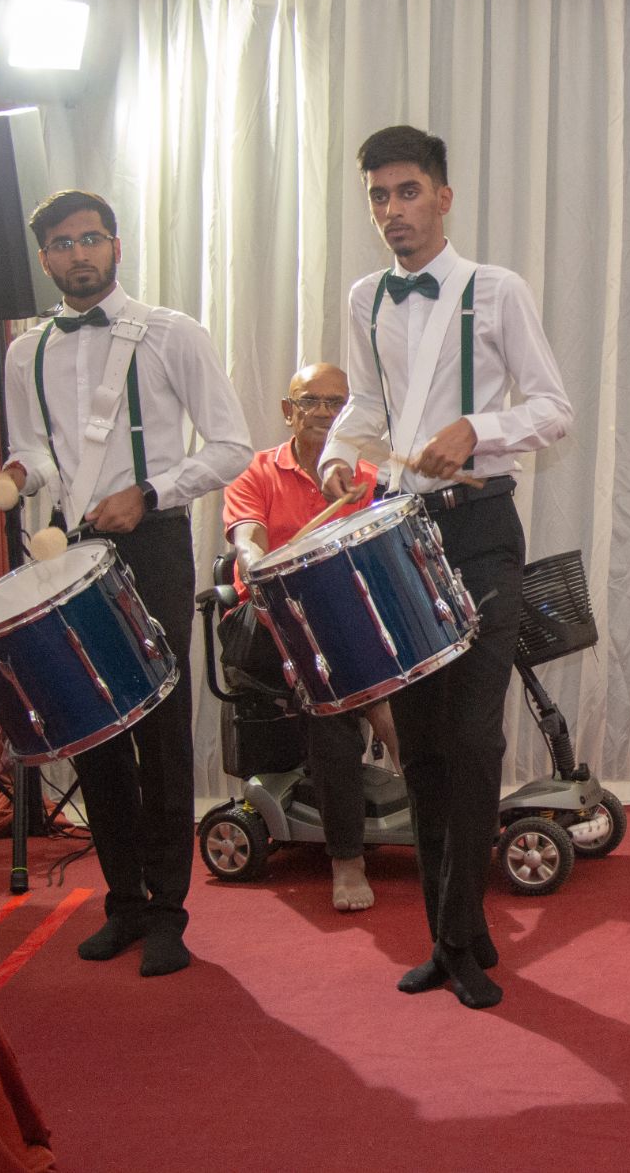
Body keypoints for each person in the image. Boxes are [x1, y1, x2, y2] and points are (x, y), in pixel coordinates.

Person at [320, 125, 572, 1009]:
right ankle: (449, 931)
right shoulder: (365, 298)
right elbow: (364, 401)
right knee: (422, 748)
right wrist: (337, 454)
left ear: (444, 197)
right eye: (379, 197)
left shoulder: (496, 290)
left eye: (408, 192)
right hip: (397, 533)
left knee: (472, 739)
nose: (393, 210)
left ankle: (464, 935)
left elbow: (553, 406)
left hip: (478, 531)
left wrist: (481, 428)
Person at [1, 190, 251, 978]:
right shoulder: (24, 352)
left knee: (159, 727)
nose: (79, 255)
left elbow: (232, 445)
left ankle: (171, 908)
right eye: (62, 245)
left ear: (117, 245)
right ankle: (123, 901)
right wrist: (20, 470)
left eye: (91, 239)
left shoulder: (173, 333)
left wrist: (150, 492)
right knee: (92, 727)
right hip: (68, 549)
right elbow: (41, 453)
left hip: (153, 541)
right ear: (44, 258)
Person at [220, 361, 397, 912]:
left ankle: (437, 811)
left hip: (346, 628)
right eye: (311, 401)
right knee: (337, 700)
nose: (324, 412)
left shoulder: (365, 476)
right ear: (287, 410)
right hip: (269, 626)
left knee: (368, 689)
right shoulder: (255, 471)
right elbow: (245, 534)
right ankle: (347, 860)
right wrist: (252, 556)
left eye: (336, 403)